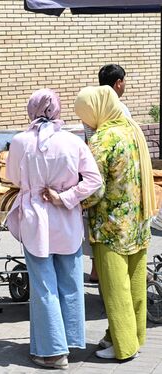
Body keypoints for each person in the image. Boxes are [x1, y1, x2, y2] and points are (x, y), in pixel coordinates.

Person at [6, 89, 102, 369]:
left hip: (36, 218)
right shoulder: (73, 141)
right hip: (67, 217)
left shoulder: (20, 141)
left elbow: (12, 177)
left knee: (43, 286)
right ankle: (70, 343)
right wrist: (66, 197)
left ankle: (52, 352)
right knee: (70, 282)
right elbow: (93, 180)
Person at [75, 85, 156, 360]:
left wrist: (73, 203)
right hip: (139, 221)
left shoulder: (102, 139)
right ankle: (134, 338)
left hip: (111, 227)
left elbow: (94, 189)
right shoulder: (133, 129)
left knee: (114, 289)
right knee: (135, 285)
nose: (85, 121)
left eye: (85, 114)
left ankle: (123, 347)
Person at [86, 63, 132, 282]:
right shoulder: (120, 111)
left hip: (97, 169)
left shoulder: (92, 108)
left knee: (97, 222)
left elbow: (89, 141)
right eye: (124, 81)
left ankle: (97, 270)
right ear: (118, 83)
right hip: (118, 175)